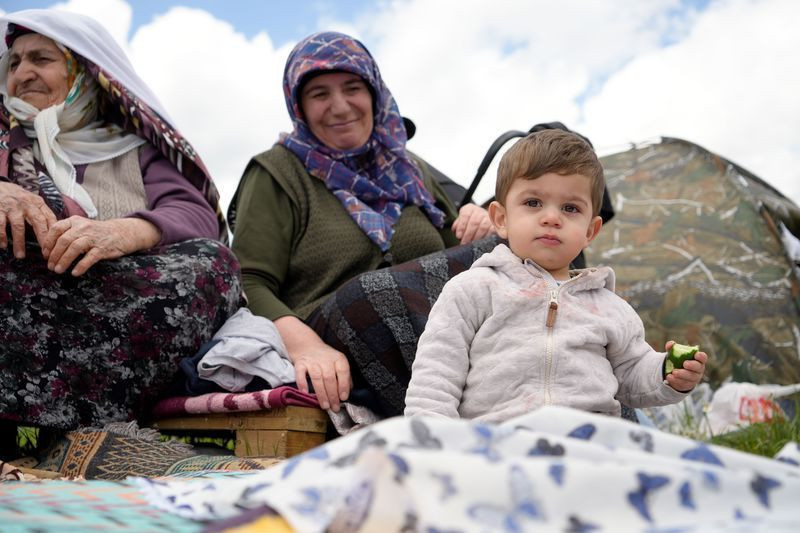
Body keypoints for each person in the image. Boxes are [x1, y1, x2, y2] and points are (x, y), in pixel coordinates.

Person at [230, 31, 497, 417]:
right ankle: (451, 425)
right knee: (373, 296)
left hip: (434, 331)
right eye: (319, 94)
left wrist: (479, 222)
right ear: (300, 107)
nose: (339, 107)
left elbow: (455, 250)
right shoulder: (277, 172)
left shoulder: (409, 169)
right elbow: (248, 282)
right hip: (341, 331)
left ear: (374, 93)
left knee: (503, 251)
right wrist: (304, 345)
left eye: (352, 88)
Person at [0, 10, 241, 437]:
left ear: (84, 72)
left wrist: (120, 233)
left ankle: (99, 427)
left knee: (213, 264)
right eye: (14, 62)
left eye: (40, 59)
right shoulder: (5, 141)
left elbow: (195, 214)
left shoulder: (134, 145)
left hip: (118, 297)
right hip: (28, 295)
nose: (22, 73)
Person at [404, 129, 708, 422]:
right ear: (501, 218)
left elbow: (632, 374)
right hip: (497, 445)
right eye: (533, 203)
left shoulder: (610, 308)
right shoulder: (472, 290)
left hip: (589, 446)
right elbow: (436, 377)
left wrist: (667, 373)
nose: (551, 218)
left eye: (570, 208)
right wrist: (433, 444)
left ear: (590, 231)